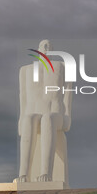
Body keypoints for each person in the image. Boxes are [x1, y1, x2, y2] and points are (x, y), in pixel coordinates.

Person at [16, 39, 72, 183]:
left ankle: (46, 172)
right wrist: (21, 119)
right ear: (38, 49)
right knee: (29, 119)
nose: (46, 47)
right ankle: (23, 174)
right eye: (43, 45)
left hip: (55, 113)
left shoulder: (63, 66)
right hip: (33, 111)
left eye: (49, 46)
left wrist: (67, 116)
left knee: (47, 119)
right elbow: (23, 97)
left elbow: (68, 93)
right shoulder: (25, 70)